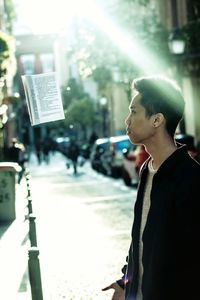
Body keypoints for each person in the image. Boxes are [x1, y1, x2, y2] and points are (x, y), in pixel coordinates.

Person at [102, 75, 200, 300]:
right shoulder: (147, 169)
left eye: (134, 111)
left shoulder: (190, 179)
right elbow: (142, 237)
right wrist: (125, 281)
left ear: (157, 120)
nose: (127, 120)